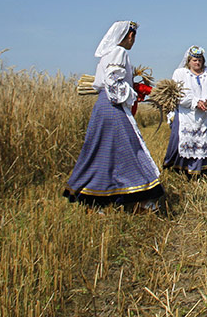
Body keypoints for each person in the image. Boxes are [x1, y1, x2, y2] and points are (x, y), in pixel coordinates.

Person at [64, 21, 164, 209]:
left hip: (102, 106)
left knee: (104, 153)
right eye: (133, 37)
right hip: (113, 108)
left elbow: (100, 84)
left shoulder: (106, 54)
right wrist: (132, 94)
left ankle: (97, 200)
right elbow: (112, 82)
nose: (133, 41)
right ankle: (141, 198)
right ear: (129, 36)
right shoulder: (119, 52)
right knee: (132, 151)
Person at [163, 46, 207, 176]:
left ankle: (200, 171)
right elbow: (177, 94)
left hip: (204, 115)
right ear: (188, 61)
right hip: (186, 114)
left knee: (201, 142)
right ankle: (181, 169)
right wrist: (195, 102)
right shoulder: (180, 73)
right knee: (184, 140)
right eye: (194, 60)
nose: (197, 62)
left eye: (199, 59)